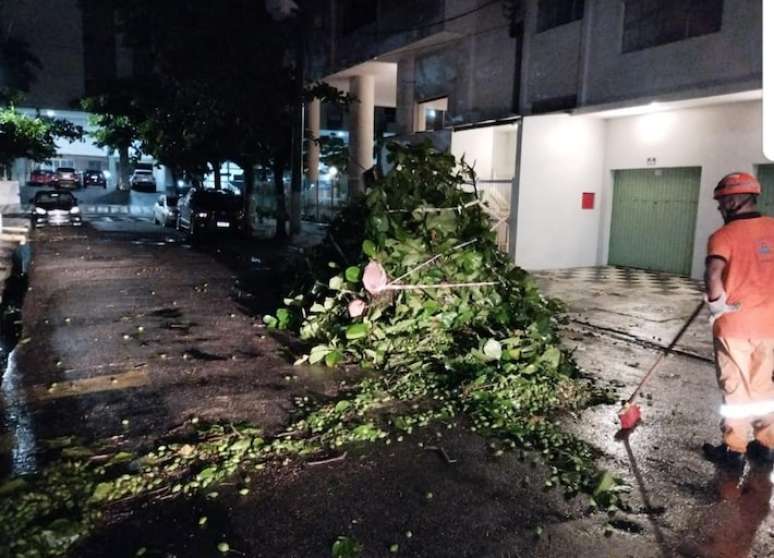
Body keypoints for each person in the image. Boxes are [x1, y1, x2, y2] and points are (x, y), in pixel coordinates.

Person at [703, 172, 774, 466]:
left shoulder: (723, 236)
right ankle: (767, 443)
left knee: (735, 387)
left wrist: (716, 303)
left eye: (721, 202)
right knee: (763, 386)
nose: (720, 208)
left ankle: (734, 449)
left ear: (733, 200)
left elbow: (714, 274)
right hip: (769, 325)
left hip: (735, 325)